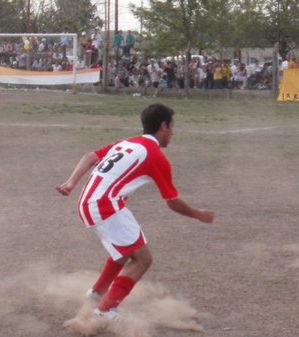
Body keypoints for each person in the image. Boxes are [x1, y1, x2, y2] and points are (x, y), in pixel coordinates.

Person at [56, 103, 215, 321]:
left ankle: (97, 294)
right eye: (172, 126)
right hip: (105, 205)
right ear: (163, 125)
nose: (172, 132)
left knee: (124, 252)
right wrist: (198, 214)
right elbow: (173, 202)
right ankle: (106, 310)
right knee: (142, 259)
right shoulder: (154, 155)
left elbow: (90, 156)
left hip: (88, 201)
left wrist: (71, 183)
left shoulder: (127, 143)